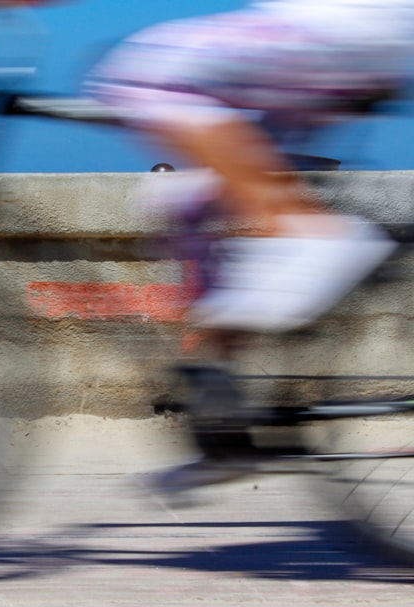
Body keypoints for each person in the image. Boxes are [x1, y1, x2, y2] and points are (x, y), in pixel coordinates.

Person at [84, 1, 414, 490]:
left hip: (345, 25)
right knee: (200, 204)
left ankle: (320, 236)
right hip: (348, 40)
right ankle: (224, 430)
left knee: (140, 71)